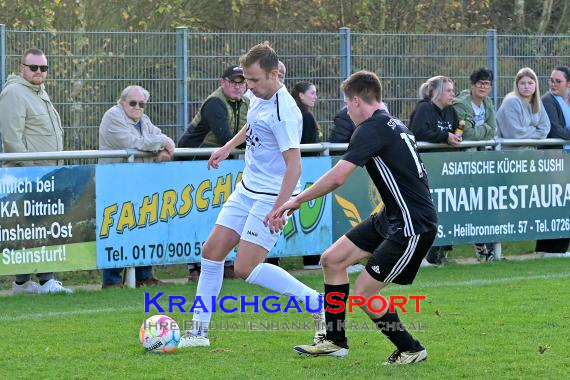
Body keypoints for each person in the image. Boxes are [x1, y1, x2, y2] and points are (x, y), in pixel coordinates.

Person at [273, 70, 437, 365]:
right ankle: (334, 341)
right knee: (332, 259)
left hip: (412, 223)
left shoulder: (372, 128)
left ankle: (411, 348)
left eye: (347, 105)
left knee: (363, 292)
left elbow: (338, 177)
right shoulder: (393, 124)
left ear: (358, 100)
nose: (347, 111)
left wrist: (296, 199)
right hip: (391, 216)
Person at [178, 42, 325, 348]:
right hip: (247, 187)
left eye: (255, 80)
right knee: (211, 252)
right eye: (247, 80)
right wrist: (228, 146)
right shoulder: (258, 96)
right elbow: (251, 125)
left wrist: (279, 208)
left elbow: (294, 167)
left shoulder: (286, 112)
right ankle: (198, 332)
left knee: (245, 268)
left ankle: (317, 303)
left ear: (275, 75)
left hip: (273, 194)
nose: (249, 86)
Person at [0, 48, 72, 295]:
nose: (39, 72)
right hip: (29, 177)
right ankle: (46, 281)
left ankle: (21, 284)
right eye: (34, 67)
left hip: (47, 177)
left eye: (43, 68)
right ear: (22, 68)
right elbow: (12, 140)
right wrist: (33, 173)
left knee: (34, 228)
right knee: (37, 227)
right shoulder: (14, 93)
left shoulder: (39, 92)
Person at [178, 64, 250, 280]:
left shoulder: (248, 102)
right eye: (232, 82)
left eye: (242, 82)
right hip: (194, 161)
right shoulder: (215, 103)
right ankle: (195, 268)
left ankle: (222, 262)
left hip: (219, 164)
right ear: (223, 83)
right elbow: (225, 137)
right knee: (194, 213)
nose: (237, 87)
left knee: (218, 214)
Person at [99, 85, 174, 288]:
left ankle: (143, 276)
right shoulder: (112, 116)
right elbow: (132, 142)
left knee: (144, 227)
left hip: (139, 183)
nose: (137, 107)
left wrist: (162, 147)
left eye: (142, 104)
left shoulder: (144, 120)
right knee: (117, 230)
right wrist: (162, 142)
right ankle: (112, 281)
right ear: (122, 102)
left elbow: (154, 138)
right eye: (133, 103)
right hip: (116, 183)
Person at [409, 75, 461, 265]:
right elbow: (417, 133)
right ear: (435, 92)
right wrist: (444, 136)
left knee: (441, 211)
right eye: (448, 90)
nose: (452, 94)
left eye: (452, 90)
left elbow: (456, 132)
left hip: (444, 168)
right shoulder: (424, 108)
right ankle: (418, 255)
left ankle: (438, 253)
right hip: (424, 167)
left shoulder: (451, 111)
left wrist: (456, 137)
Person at [453, 68, 498, 262]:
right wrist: (485, 129)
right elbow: (467, 134)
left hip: (480, 162)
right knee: (459, 205)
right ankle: (438, 251)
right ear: (472, 85)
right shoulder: (461, 103)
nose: (483, 87)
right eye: (480, 83)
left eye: (487, 83)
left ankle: (483, 249)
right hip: (460, 162)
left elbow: (493, 130)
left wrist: (483, 130)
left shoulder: (488, 103)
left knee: (481, 204)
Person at [535, 65, 570, 257]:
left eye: (558, 81)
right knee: (555, 204)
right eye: (551, 80)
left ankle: (560, 248)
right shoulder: (547, 100)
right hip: (555, 161)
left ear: (568, 84)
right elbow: (555, 130)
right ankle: (547, 249)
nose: (553, 84)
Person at [292, 81, 321, 269]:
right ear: (301, 95)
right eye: (312, 92)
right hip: (304, 172)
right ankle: (310, 259)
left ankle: (273, 259)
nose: (315, 96)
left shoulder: (295, 114)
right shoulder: (305, 117)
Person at [496, 67, 550, 145]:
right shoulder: (511, 101)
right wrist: (536, 130)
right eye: (522, 83)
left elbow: (545, 129)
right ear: (517, 85)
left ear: (536, 85)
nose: (526, 86)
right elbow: (515, 133)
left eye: (530, 83)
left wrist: (527, 132)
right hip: (508, 152)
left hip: (530, 151)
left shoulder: (537, 102)